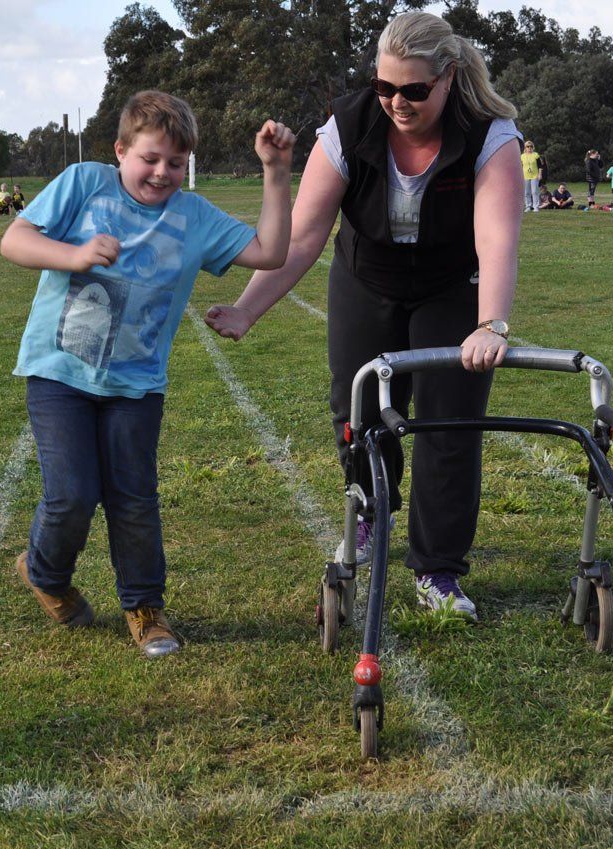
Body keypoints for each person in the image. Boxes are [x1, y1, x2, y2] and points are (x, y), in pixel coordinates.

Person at [204, 11, 522, 619]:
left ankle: (439, 569)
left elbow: (498, 240)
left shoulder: (489, 134)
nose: (395, 102)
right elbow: (302, 239)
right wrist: (248, 310)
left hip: (451, 285)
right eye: (384, 87)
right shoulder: (347, 126)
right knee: (357, 407)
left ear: (448, 78)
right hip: (366, 276)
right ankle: (372, 510)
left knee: (449, 424)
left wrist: (491, 323)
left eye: (413, 90)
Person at [1, 90, 295, 656]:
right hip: (60, 373)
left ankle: (144, 607)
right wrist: (74, 255)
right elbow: (15, 239)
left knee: (134, 499)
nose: (162, 173)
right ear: (119, 151)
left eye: (176, 164)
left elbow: (270, 251)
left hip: (136, 386)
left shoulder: (193, 216)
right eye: (150, 159)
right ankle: (45, 572)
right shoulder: (85, 182)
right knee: (70, 496)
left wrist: (277, 172)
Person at [521, 140, 541, 211]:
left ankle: (536, 207)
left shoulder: (536, 155)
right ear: (525, 147)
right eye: (527, 146)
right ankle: (528, 206)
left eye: (531, 146)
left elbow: (540, 166)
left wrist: (540, 174)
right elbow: (520, 166)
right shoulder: (522, 156)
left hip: (534, 176)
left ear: (533, 147)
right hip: (525, 176)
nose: (529, 148)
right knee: (527, 192)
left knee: (535, 192)